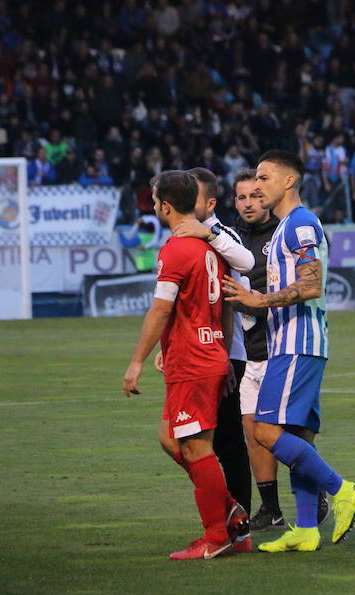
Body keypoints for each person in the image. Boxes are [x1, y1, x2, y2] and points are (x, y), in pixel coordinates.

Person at [223, 150, 355, 553]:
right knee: (295, 434)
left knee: (264, 431)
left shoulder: (300, 224)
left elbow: (312, 284)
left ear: (288, 181)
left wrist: (258, 300)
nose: (258, 185)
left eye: (265, 178)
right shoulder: (289, 224)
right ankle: (306, 528)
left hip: (296, 343)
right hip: (296, 342)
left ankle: (341, 490)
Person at [121, 170, 247, 560]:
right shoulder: (211, 247)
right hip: (201, 355)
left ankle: (216, 535)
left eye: (154, 199)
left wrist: (136, 362)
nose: (153, 204)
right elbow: (223, 304)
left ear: (165, 205)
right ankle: (231, 513)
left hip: (193, 362)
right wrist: (221, 350)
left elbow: (160, 310)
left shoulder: (177, 249)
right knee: (171, 439)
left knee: (197, 449)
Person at [167, 167, 255, 550]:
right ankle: (232, 516)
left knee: (228, 443)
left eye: (195, 198)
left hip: (225, 352)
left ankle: (238, 527)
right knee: (191, 442)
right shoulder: (189, 237)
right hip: (203, 350)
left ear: (209, 203)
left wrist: (225, 353)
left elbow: (239, 286)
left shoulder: (219, 236)